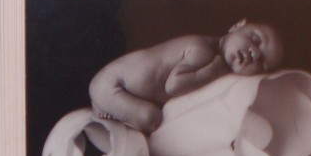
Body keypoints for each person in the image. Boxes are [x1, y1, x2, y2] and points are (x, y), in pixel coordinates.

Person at [89, 19, 284, 133]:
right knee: (152, 118)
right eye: (255, 39)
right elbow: (174, 85)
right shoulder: (204, 51)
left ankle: (106, 111)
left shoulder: (212, 55)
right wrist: (214, 71)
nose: (254, 54)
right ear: (237, 26)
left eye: (262, 64)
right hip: (113, 86)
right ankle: (107, 114)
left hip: (115, 85)